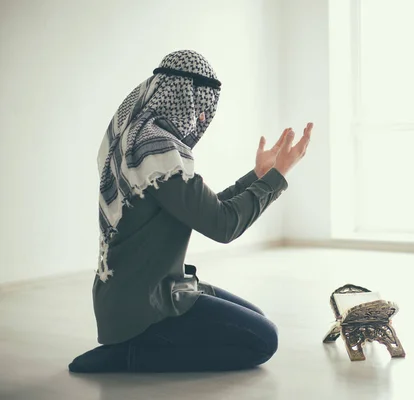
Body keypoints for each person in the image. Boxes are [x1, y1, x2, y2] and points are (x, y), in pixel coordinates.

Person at [68, 50, 313, 373]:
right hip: (143, 306)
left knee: (257, 322)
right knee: (262, 340)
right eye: (202, 107)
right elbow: (223, 225)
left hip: (132, 296)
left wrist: (259, 176)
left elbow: (208, 210)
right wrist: (278, 177)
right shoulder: (156, 149)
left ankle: (136, 344)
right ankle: (131, 355)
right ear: (181, 96)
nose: (201, 119)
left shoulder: (139, 139)